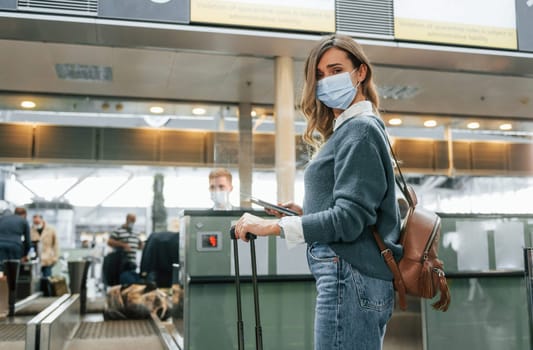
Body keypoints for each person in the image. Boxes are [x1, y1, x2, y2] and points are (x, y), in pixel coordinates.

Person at [233, 34, 403, 350]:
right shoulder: (352, 130)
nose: (327, 82)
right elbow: (353, 208)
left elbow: (350, 220)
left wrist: (273, 227)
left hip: (349, 275)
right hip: (353, 277)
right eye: (320, 75)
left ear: (361, 72)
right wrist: (306, 212)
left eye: (336, 70)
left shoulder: (360, 130)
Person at [107, 213, 143, 284]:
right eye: (132, 220)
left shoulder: (135, 232)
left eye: (134, 221)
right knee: (123, 282)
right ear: (127, 219)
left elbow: (139, 244)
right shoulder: (118, 230)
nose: (133, 222)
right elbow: (109, 242)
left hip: (132, 263)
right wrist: (123, 245)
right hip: (121, 263)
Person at [0, 207, 31, 272]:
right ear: (24, 214)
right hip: (15, 246)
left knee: (1, 269)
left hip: (1, 245)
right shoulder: (24, 221)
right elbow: (28, 241)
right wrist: (25, 255)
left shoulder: (2, 219)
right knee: (13, 270)